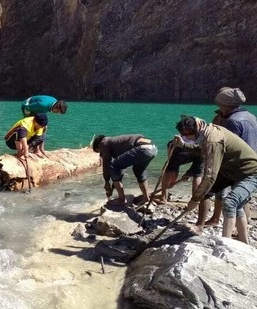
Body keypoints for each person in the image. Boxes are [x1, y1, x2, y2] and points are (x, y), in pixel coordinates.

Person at [174, 116, 257, 244]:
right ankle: (244, 242)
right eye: (183, 134)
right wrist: (183, 145)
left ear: (196, 128)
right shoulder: (207, 131)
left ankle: (225, 244)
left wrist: (194, 200)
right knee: (211, 196)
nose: (186, 137)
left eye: (188, 134)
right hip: (231, 170)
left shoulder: (213, 139)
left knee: (231, 202)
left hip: (250, 172)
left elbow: (210, 176)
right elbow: (202, 150)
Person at [202, 87, 257, 227]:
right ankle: (243, 227)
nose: (218, 106)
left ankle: (225, 225)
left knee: (226, 195)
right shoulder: (251, 116)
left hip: (236, 164)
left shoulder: (233, 121)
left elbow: (226, 146)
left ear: (226, 105)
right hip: (251, 162)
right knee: (243, 198)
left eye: (220, 104)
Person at [92, 134, 157, 206]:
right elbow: (122, 168)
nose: (102, 154)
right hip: (152, 149)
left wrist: (107, 181)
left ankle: (121, 199)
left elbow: (106, 164)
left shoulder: (104, 142)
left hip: (142, 149)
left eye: (100, 151)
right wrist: (114, 186)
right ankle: (146, 198)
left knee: (113, 166)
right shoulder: (116, 143)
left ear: (98, 145)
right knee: (139, 171)